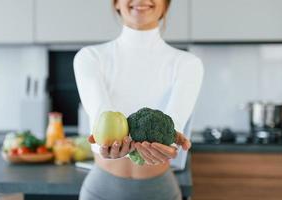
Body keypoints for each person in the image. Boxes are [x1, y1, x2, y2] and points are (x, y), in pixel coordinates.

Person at [74, 0, 204, 199]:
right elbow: (104, 118)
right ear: (116, 3)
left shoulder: (188, 64)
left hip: (159, 191)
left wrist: (170, 140)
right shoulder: (90, 57)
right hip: (101, 191)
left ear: (166, 5)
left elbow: (172, 126)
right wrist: (110, 142)